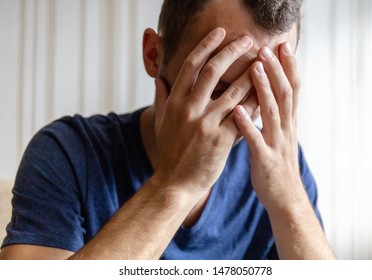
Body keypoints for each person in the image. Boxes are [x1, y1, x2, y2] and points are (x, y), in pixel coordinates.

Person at [0, 0, 335, 260]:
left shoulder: (279, 163)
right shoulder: (67, 152)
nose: (240, 119)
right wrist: (175, 184)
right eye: (217, 88)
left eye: (262, 94)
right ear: (153, 55)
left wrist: (289, 200)